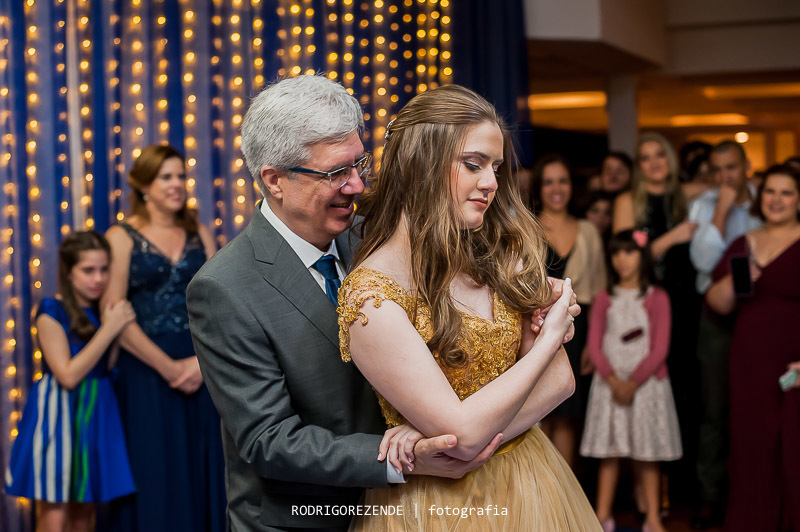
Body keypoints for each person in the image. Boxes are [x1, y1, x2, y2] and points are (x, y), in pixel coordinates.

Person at [186, 75, 506, 531]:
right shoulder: (224, 287)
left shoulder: (379, 239)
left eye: (359, 165)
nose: (356, 187)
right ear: (274, 180)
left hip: (411, 510)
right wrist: (403, 456)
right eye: (336, 173)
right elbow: (268, 440)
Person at [337, 84, 599, 530]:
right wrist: (549, 338)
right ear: (423, 164)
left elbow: (561, 381)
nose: (492, 183)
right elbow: (464, 437)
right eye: (473, 165)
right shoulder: (371, 296)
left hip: (531, 479)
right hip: (437, 507)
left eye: (495, 167)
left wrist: (439, 433)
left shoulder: (500, 254)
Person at [103, 145, 225, 532]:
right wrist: (169, 367)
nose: (177, 185)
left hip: (200, 364)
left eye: (180, 176)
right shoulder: (120, 237)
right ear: (143, 186)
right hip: (145, 368)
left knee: (203, 463)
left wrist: (201, 365)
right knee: (153, 465)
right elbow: (115, 314)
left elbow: (219, 304)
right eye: (166, 177)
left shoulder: (199, 232)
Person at [5, 231, 136, 531]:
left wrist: (111, 325)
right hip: (60, 413)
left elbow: (108, 366)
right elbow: (67, 375)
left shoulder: (103, 310)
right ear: (68, 271)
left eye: (104, 269)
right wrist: (110, 328)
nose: (98, 278)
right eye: (88, 270)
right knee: (55, 511)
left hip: (97, 408)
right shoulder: (52, 310)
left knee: (83, 512)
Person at [706, 164, 800, 532]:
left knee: (792, 447)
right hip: (749, 362)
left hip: (794, 363)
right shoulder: (743, 243)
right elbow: (716, 302)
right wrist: (734, 283)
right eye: (771, 192)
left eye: (787, 192)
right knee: (752, 446)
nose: (776, 200)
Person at [612, 132, 702, 506]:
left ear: (669, 159)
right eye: (645, 157)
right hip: (642, 307)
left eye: (659, 155)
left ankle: (682, 490)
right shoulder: (627, 201)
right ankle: (644, 496)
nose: (653, 163)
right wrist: (671, 238)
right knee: (645, 394)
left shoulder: (688, 196)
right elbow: (622, 256)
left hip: (685, 304)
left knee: (683, 394)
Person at [580, 229, 682, 532]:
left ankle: (652, 517)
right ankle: (602, 515)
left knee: (646, 453)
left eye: (629, 252)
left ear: (643, 256)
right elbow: (595, 346)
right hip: (609, 385)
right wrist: (613, 381)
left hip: (646, 386)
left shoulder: (657, 297)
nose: (621, 259)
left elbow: (660, 348)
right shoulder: (603, 298)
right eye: (616, 253)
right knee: (609, 453)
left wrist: (632, 383)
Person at [686, 140, 762, 528]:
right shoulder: (704, 205)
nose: (724, 177)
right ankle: (710, 496)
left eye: (731, 168)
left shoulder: (766, 206)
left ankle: (755, 493)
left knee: (757, 408)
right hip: (714, 318)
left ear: (747, 166)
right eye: (717, 170)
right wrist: (720, 211)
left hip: (761, 316)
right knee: (714, 409)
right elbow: (702, 260)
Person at [530, 154, 606, 467]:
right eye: (549, 181)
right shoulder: (527, 228)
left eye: (563, 180)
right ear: (539, 187)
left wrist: (594, 343)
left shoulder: (587, 229)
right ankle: (540, 497)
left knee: (569, 415)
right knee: (539, 412)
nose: (557, 188)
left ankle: (565, 495)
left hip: (581, 328)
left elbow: (600, 291)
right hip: (537, 329)